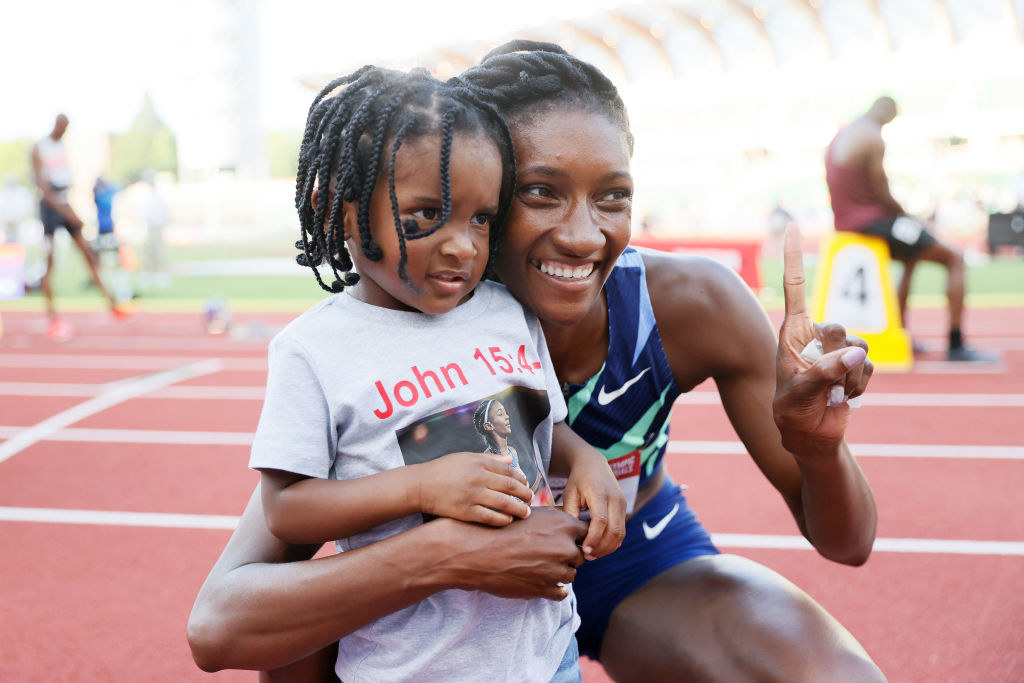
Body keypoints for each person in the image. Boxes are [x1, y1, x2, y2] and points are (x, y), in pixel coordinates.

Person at [189, 41, 884, 682]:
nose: (584, 235)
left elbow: (848, 543)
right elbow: (222, 625)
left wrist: (817, 448)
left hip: (625, 561)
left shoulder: (690, 305)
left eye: (612, 194)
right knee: (300, 634)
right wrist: (444, 556)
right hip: (429, 615)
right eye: (541, 192)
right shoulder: (384, 340)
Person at [244, 65, 625, 683]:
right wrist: (421, 489)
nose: (462, 246)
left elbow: (544, 424)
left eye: (481, 218)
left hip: (544, 655)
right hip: (411, 668)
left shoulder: (505, 313)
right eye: (427, 214)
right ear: (340, 211)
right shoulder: (313, 349)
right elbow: (287, 509)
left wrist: (587, 463)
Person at [825, 96, 994, 362]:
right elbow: (882, 192)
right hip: (875, 223)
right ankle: (956, 343)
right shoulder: (872, 136)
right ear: (888, 115)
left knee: (911, 258)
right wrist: (909, 216)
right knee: (954, 258)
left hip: (849, 222)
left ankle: (901, 332)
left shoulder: (843, 134)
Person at [31, 114, 129, 340]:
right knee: (50, 261)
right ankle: (53, 317)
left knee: (89, 254)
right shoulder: (39, 148)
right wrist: (68, 214)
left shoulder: (63, 148)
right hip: (50, 208)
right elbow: (44, 189)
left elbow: (67, 182)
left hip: (65, 204)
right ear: (56, 125)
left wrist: (72, 210)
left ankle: (112, 304)